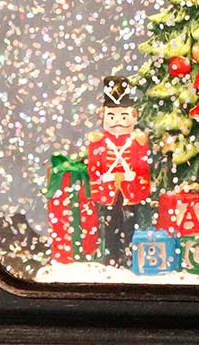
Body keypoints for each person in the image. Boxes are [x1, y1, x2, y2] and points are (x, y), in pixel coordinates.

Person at [87, 76, 150, 267]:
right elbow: (94, 166)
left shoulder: (137, 140)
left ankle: (129, 256)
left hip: (130, 189)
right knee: (109, 224)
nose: (118, 122)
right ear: (103, 118)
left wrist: (134, 174)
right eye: (112, 117)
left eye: (123, 117)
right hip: (108, 190)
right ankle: (111, 257)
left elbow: (142, 164)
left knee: (130, 223)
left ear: (133, 117)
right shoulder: (99, 141)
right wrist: (103, 178)